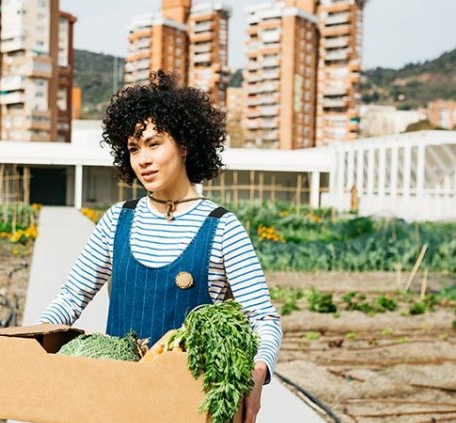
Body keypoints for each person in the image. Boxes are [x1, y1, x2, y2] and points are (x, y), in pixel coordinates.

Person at [37, 70, 282, 423]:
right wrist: (30, 342)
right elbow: (71, 298)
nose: (143, 160)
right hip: (115, 402)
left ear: (184, 144)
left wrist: (258, 373)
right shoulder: (117, 221)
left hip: (189, 405)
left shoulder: (221, 228)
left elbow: (262, 319)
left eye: (154, 144)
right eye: (134, 149)